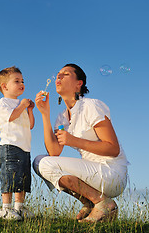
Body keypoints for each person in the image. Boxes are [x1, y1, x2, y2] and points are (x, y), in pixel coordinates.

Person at [33, 64, 129, 223]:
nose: (59, 77)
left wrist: (74, 141)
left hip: (111, 172)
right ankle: (90, 202)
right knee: (39, 162)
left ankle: (103, 203)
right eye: (58, 74)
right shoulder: (63, 118)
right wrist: (44, 113)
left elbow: (113, 148)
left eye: (65, 74)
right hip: (92, 172)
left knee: (45, 164)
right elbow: (54, 152)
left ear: (79, 83)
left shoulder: (91, 106)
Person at [0, 66, 35, 220]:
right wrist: (23, 106)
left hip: (24, 147)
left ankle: (19, 207)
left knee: (22, 178)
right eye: (16, 81)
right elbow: (11, 117)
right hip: (10, 146)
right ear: (5, 86)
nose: (21, 83)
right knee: (9, 175)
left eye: (22, 81)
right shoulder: (4, 103)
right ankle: (6, 208)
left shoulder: (20, 105)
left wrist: (30, 110)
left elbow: (31, 125)